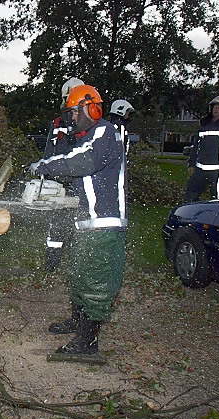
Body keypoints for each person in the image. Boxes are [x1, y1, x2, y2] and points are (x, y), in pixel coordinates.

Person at [29, 84, 127, 355]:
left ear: (90, 107)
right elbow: (76, 169)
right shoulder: (88, 136)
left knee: (96, 282)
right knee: (79, 275)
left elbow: (83, 161)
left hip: (104, 223)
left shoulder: (106, 132)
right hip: (86, 222)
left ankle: (88, 340)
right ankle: (77, 321)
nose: (71, 118)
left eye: (74, 112)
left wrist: (45, 166)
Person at [41, 77, 84, 271]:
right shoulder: (58, 122)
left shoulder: (87, 123)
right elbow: (49, 151)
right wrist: (45, 170)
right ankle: (52, 262)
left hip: (79, 181)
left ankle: (77, 263)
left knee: (78, 224)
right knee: (56, 225)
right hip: (58, 181)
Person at [184, 96, 219, 203]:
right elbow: (196, 146)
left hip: (218, 171)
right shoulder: (204, 124)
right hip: (200, 169)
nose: (216, 109)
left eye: (218, 107)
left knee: (216, 201)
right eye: (214, 107)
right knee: (189, 198)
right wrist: (191, 164)